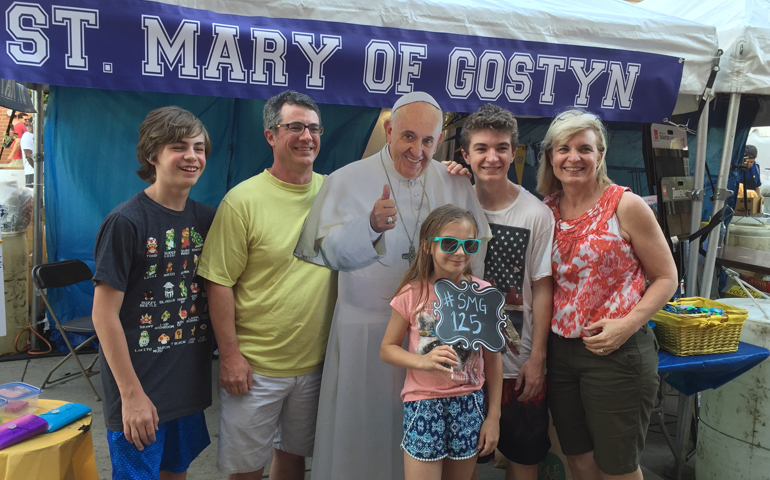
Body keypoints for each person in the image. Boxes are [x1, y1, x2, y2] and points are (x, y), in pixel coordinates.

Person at [294, 91, 490, 480]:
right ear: (388, 130)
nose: (418, 150)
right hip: (365, 330)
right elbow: (323, 249)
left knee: (425, 439)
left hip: (433, 337)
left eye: (429, 140)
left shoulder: (453, 181)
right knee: (362, 430)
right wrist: (367, 227)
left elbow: (473, 254)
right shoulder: (347, 178)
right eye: (408, 137)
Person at [197, 90, 336, 480]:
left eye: (313, 127)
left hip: (317, 363)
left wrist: (450, 171)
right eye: (295, 127)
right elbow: (218, 283)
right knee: (246, 469)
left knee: (294, 458)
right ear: (270, 135)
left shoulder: (334, 192)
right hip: (256, 366)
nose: (307, 136)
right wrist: (230, 356)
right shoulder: (242, 201)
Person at [536, 109, 678, 480]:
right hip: (562, 352)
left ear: (600, 155)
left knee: (618, 467)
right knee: (578, 458)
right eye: (563, 148)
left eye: (585, 148)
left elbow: (666, 277)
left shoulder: (625, 205)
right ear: (550, 156)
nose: (573, 158)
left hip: (616, 351)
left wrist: (626, 326)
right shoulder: (545, 210)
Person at [92, 106, 215, 480]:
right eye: (179, 147)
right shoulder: (126, 222)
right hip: (138, 386)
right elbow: (103, 314)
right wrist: (130, 395)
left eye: (199, 147)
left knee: (176, 470)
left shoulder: (207, 220)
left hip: (185, 384)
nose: (192, 157)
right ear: (152, 154)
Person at [460, 104, 554, 480]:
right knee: (461, 458)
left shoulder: (536, 213)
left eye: (501, 147)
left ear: (513, 152)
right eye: (481, 148)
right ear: (465, 155)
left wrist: (538, 357)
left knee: (523, 455)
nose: (492, 157)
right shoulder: (454, 206)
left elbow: (543, 286)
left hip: (518, 359)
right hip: (461, 361)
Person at [381, 204, 502, 480]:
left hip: (469, 403)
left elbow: (494, 359)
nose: (460, 252)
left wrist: (493, 416)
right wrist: (421, 361)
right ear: (428, 246)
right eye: (449, 243)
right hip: (424, 403)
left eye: (469, 244)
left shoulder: (483, 294)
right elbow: (387, 348)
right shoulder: (412, 294)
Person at [20, 117, 34, 187]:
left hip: (38, 172)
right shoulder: (27, 136)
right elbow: (28, 155)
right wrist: (39, 172)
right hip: (32, 172)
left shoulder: (37, 136)